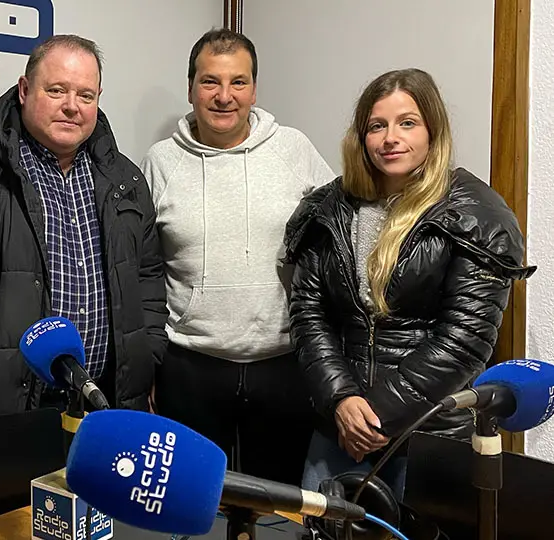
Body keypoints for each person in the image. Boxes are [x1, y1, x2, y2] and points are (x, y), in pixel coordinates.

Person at [0, 34, 168, 439]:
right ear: (24, 89)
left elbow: (148, 279)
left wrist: (145, 357)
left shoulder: (125, 179)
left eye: (86, 95)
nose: (72, 106)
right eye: (57, 90)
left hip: (104, 409)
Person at [283, 68, 536, 500]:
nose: (390, 138)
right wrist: (342, 400)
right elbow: (309, 313)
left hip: (429, 432)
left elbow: (466, 338)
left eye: (407, 123)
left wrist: (378, 414)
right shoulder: (329, 207)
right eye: (376, 126)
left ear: (432, 131)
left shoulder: (477, 213)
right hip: (338, 427)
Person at [140, 28, 335, 486]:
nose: (224, 96)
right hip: (189, 366)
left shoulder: (294, 149)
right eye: (210, 82)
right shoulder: (160, 161)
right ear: (190, 88)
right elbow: (142, 266)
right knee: (187, 501)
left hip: (283, 363)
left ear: (254, 88)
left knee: (281, 506)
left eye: (238, 82)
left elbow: (338, 238)